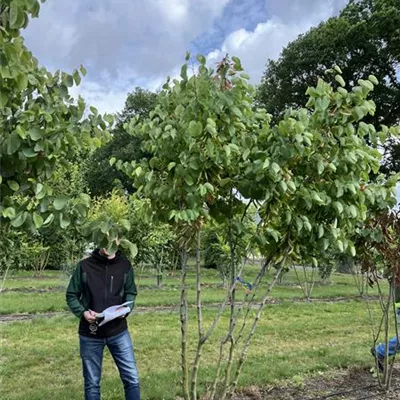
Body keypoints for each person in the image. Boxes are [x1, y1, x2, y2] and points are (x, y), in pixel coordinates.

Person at [66, 247, 140, 400]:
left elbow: (131, 293)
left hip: (118, 332)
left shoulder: (125, 266)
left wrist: (126, 309)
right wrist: (83, 313)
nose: (109, 243)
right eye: (104, 239)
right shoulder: (84, 266)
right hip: (90, 333)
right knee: (92, 383)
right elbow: (72, 295)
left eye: (113, 238)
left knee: (131, 378)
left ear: (119, 241)